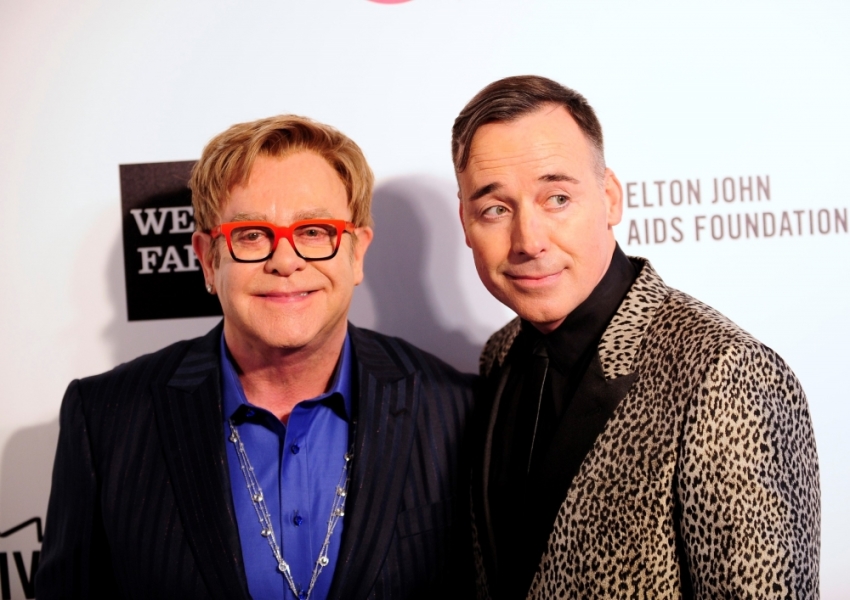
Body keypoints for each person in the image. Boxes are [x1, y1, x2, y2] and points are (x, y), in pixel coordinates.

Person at [37, 115, 474, 599]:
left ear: (357, 253)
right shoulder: (104, 420)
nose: (285, 261)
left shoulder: (454, 409)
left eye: (313, 231)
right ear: (207, 259)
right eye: (251, 235)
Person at [453, 75, 820, 599]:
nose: (528, 241)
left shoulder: (727, 373)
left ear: (609, 199)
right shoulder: (500, 354)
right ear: (466, 223)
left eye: (556, 198)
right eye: (496, 209)